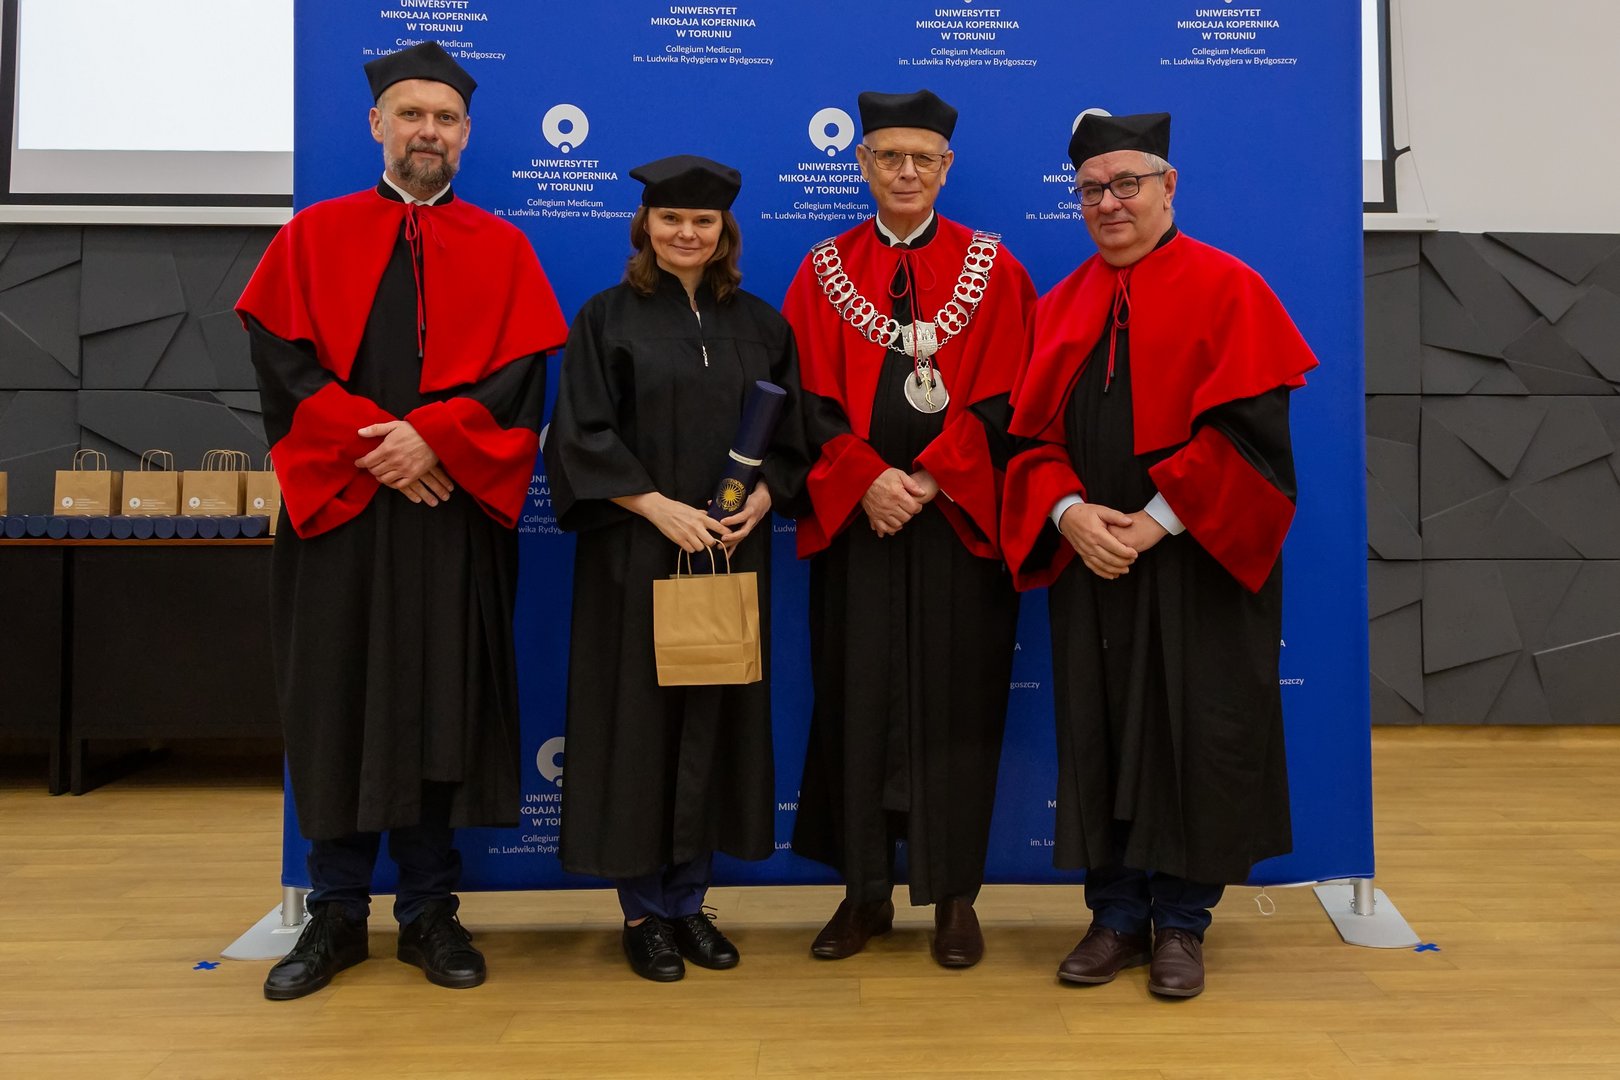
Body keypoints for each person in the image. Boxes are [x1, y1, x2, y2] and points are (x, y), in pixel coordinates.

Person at [236, 42, 568, 1000]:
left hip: (449, 517)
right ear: (377, 124)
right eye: (412, 114)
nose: (429, 131)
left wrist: (435, 442)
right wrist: (380, 448)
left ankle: (429, 909)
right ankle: (336, 912)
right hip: (339, 515)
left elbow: (519, 382)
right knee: (336, 697)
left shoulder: (502, 249)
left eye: (446, 118)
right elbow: (283, 369)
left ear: (466, 134)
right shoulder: (312, 237)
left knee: (441, 701)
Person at [1000, 112, 1317, 998]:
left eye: (1126, 184)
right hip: (1093, 561)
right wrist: (1068, 513)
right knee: (1098, 727)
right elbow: (1025, 442)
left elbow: (1255, 442)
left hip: (1196, 560)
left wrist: (1155, 521)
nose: (1108, 203)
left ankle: (1181, 921)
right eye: (1091, 190)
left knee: (1194, 729)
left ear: (1168, 186)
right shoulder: (1059, 306)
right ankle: (1114, 916)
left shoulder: (1231, 289)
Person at [782, 89, 1035, 968]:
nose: (905, 172)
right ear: (862, 164)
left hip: (957, 525)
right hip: (860, 525)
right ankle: (864, 893)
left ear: (946, 167)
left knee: (959, 707)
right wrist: (867, 481)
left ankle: (955, 896)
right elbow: (806, 402)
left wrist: (930, 477)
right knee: (855, 700)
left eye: (922, 158)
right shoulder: (823, 270)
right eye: (888, 156)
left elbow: (1012, 398)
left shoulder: (994, 268)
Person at [544, 156, 813, 982]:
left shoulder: (762, 326)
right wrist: (656, 507)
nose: (686, 233)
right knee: (636, 727)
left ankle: (690, 901)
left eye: (702, 221)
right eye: (670, 219)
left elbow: (794, 442)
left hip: (729, 556)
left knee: (713, 722)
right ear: (646, 226)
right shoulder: (607, 318)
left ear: (724, 232)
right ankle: (642, 912)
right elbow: (581, 434)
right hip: (634, 557)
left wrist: (761, 503)